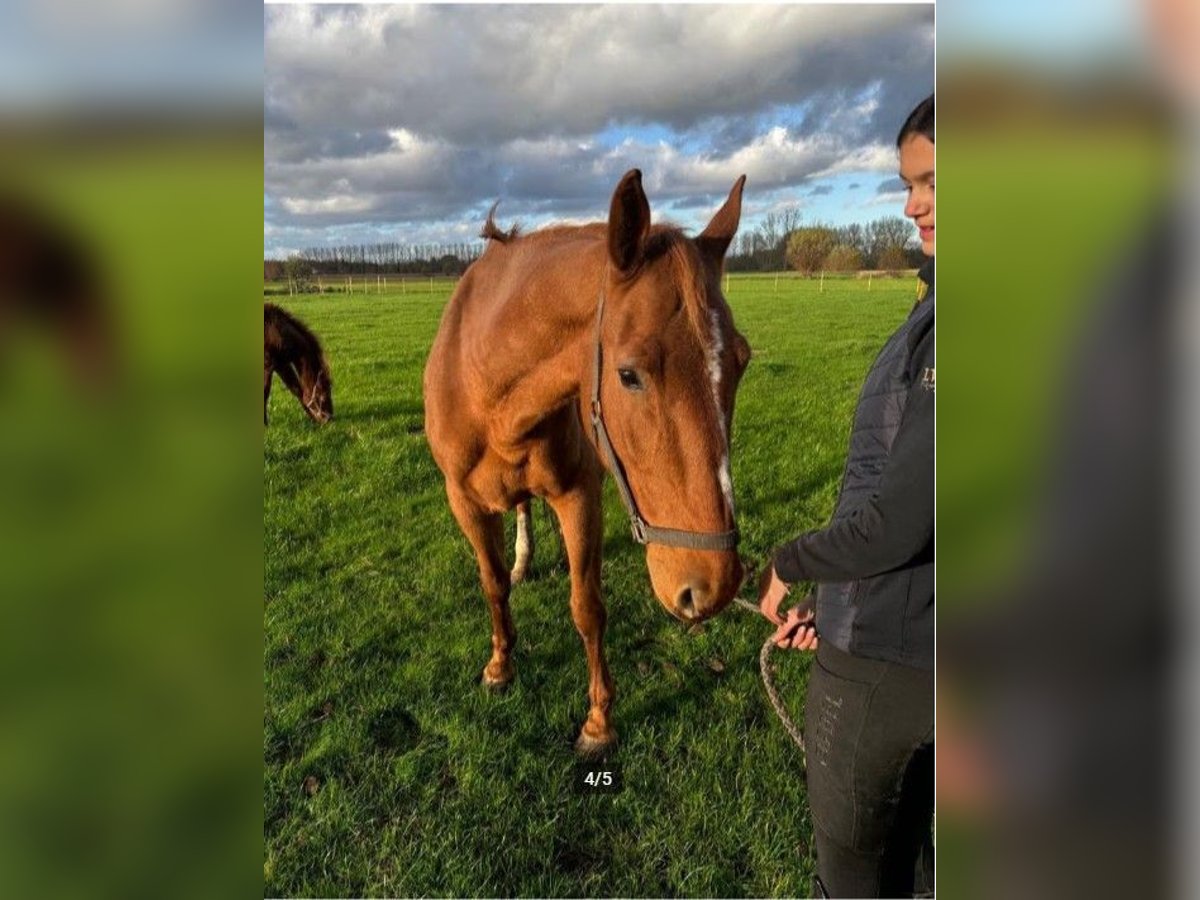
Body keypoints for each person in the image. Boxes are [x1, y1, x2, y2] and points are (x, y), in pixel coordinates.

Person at [757, 94, 935, 898]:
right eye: (909, 183)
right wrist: (831, 610)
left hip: (887, 666)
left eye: (934, 182)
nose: (913, 205)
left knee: (857, 876)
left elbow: (899, 519)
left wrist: (791, 562)